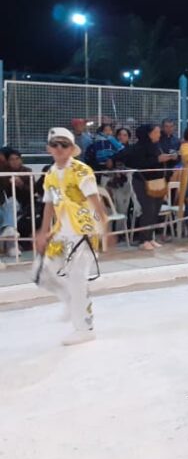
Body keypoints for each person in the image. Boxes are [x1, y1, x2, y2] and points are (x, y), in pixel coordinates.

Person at [33, 127, 108, 345]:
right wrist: (43, 232)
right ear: (49, 148)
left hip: (83, 231)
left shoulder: (81, 171)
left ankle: (84, 327)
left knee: (77, 279)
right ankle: (69, 300)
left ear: (71, 148)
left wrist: (105, 227)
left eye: (64, 144)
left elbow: (95, 200)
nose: (59, 148)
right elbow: (49, 204)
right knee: (43, 272)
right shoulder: (50, 174)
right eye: (55, 144)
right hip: (61, 231)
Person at [118, 124, 175, 251]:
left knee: (156, 210)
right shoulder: (138, 148)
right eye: (156, 132)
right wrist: (157, 160)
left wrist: (171, 158)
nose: (159, 135)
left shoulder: (157, 146)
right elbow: (139, 163)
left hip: (158, 182)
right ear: (148, 134)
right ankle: (143, 240)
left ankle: (150, 237)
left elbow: (161, 163)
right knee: (148, 209)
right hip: (142, 181)